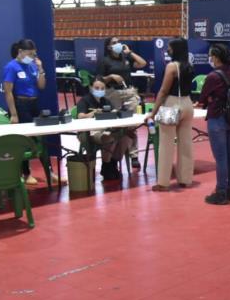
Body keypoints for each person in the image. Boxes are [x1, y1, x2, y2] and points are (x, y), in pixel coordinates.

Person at [147, 38, 195, 191]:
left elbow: (163, 91)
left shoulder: (172, 67)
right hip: (188, 104)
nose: (167, 50)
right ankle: (186, 179)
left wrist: (153, 113)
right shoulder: (189, 66)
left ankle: (163, 182)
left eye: (169, 47)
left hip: (172, 104)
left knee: (166, 144)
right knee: (186, 144)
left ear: (175, 49)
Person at [3, 38, 51, 185]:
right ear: (20, 52)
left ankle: (50, 172)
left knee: (42, 139)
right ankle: (26, 173)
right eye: (30, 53)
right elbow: (8, 92)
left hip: (34, 103)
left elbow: (41, 86)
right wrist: (14, 114)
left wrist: (41, 69)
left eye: (34, 54)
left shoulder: (32, 66)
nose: (33, 56)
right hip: (20, 104)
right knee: (23, 141)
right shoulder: (11, 67)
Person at [197, 43, 230, 205]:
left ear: (216, 56)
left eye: (211, 56)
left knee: (220, 157)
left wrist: (209, 99)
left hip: (217, 118)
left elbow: (202, 98)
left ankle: (220, 192)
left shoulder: (213, 76)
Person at [98, 37, 147, 169]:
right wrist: (111, 77)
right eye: (114, 43)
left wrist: (129, 53)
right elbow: (99, 80)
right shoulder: (105, 61)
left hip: (129, 93)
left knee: (132, 125)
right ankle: (114, 156)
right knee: (116, 126)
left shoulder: (125, 58)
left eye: (118, 42)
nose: (118, 44)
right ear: (108, 47)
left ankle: (134, 155)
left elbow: (142, 63)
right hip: (113, 94)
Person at [76, 77, 132, 181]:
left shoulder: (105, 100)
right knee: (109, 138)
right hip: (89, 132)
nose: (100, 90)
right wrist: (93, 113)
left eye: (102, 88)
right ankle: (106, 166)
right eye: (97, 88)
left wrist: (116, 111)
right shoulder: (85, 100)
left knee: (126, 138)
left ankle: (112, 164)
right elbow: (80, 116)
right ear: (91, 87)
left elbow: (112, 112)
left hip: (106, 129)